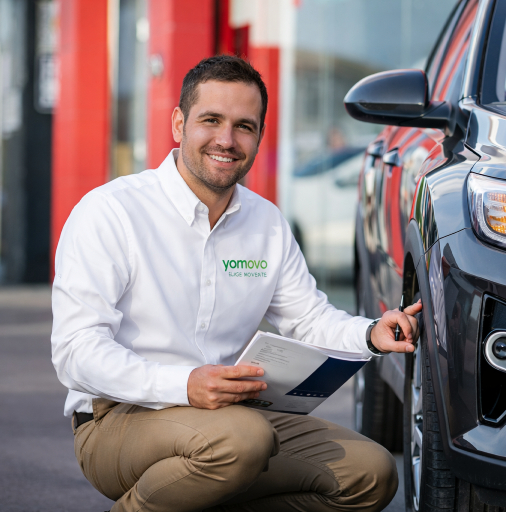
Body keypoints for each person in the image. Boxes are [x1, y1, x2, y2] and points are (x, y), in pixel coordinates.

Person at [51, 55, 422, 512]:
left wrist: (371, 332)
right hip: (120, 417)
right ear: (178, 124)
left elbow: (308, 318)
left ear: (259, 136)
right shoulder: (111, 212)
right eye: (211, 120)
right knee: (241, 442)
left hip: (234, 417)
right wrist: (184, 385)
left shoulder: (265, 222)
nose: (226, 140)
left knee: (371, 473)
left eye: (244, 126)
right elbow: (76, 353)